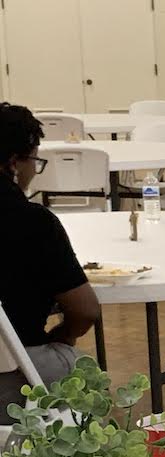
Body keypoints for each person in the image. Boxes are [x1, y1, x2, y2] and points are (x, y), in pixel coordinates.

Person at [0, 103, 99, 423]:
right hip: (15, 371)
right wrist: (65, 335)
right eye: (34, 161)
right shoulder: (33, 223)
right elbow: (86, 311)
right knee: (83, 374)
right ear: (14, 162)